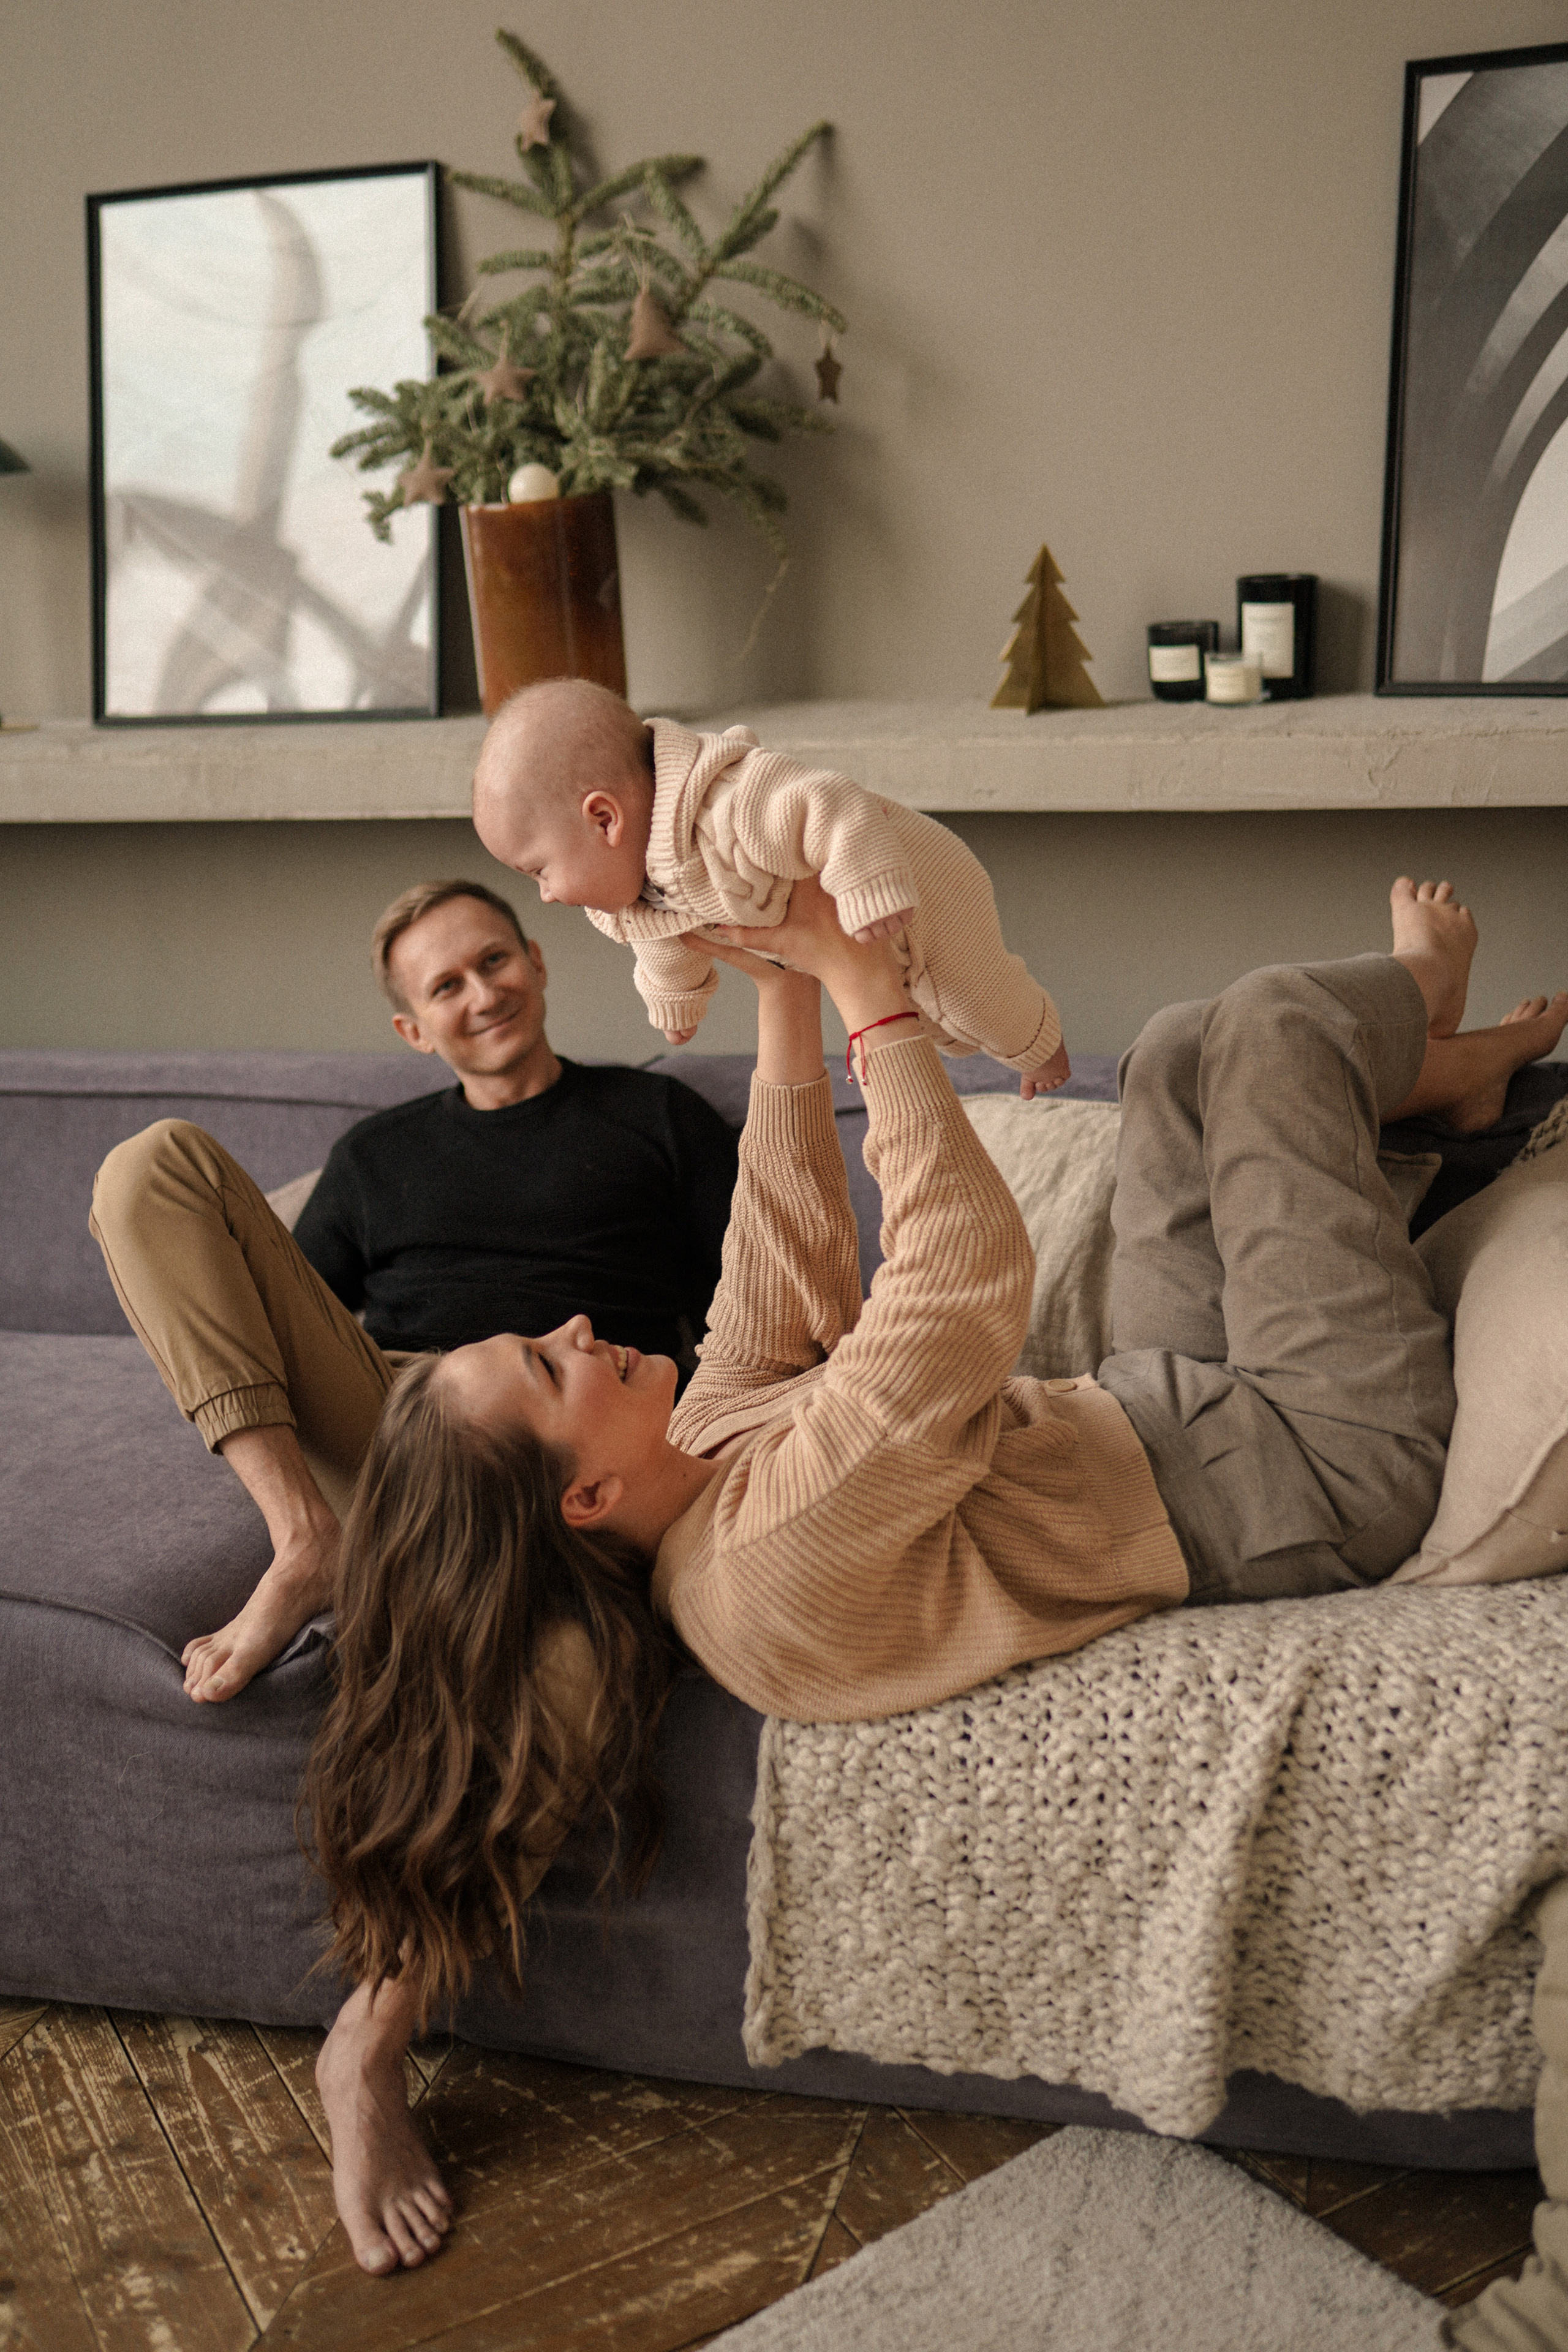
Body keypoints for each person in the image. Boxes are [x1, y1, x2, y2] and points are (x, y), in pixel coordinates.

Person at [276, 875, 1559, 2278]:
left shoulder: (692, 1460)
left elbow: (775, 1271)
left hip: (1161, 1396)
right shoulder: (767, 1553)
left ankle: (1428, 1072)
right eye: (545, 1363)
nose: (577, 1324)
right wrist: (865, 994)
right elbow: (956, 1279)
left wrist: (778, 986)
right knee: (1265, 1026)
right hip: (1314, 1461)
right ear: (582, 1497)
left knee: (1173, 1055)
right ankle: (1434, 1020)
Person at [88, 876, 737, 1707]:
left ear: (537, 962)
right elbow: (270, 1321)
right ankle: (305, 1537)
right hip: (394, 1422)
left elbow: (750, 1302)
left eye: (494, 961)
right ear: (414, 1030)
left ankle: (473, 1573)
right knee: (152, 1163)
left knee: (566, 1676)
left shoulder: (659, 1114)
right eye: (446, 986)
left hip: (570, 1439)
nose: (484, 995)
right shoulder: (374, 1155)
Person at [470, 676, 1073, 1097]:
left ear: (604, 819)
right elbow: (664, 942)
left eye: (539, 870)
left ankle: (1043, 1049)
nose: (545, 895)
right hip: (850, 936)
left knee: (975, 1000)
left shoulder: (734, 804)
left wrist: (867, 886)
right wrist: (676, 1003)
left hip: (915, 881)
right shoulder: (637, 892)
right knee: (931, 1023)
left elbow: (830, 801)